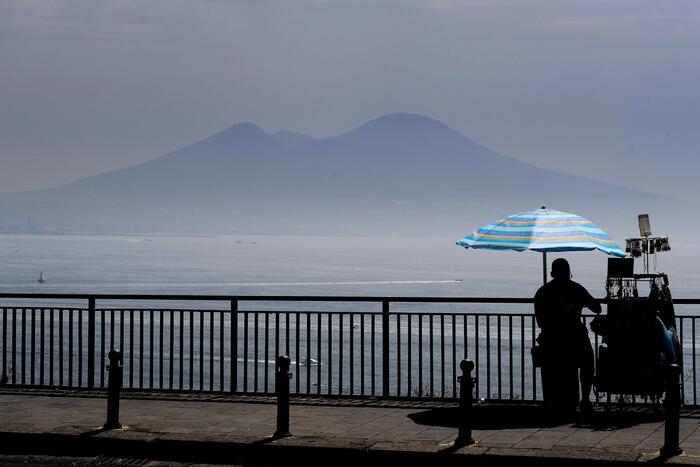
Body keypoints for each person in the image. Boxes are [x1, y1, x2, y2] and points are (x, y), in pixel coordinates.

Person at [534, 258, 601, 418]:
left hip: (552, 339)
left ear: (551, 273)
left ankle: (552, 403)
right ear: (569, 273)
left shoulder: (542, 292)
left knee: (551, 370)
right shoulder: (576, 288)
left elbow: (541, 322)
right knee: (587, 362)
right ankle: (585, 400)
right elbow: (596, 307)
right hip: (575, 337)